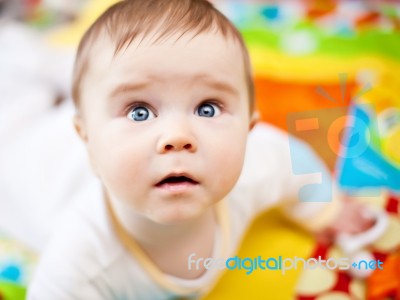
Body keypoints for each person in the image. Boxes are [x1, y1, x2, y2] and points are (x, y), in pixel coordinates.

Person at [27, 0, 375, 299]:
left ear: (248, 130)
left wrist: (325, 210)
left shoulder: (257, 164)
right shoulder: (76, 264)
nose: (177, 136)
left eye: (207, 108)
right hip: (37, 167)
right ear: (85, 138)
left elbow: (291, 162)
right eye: (139, 111)